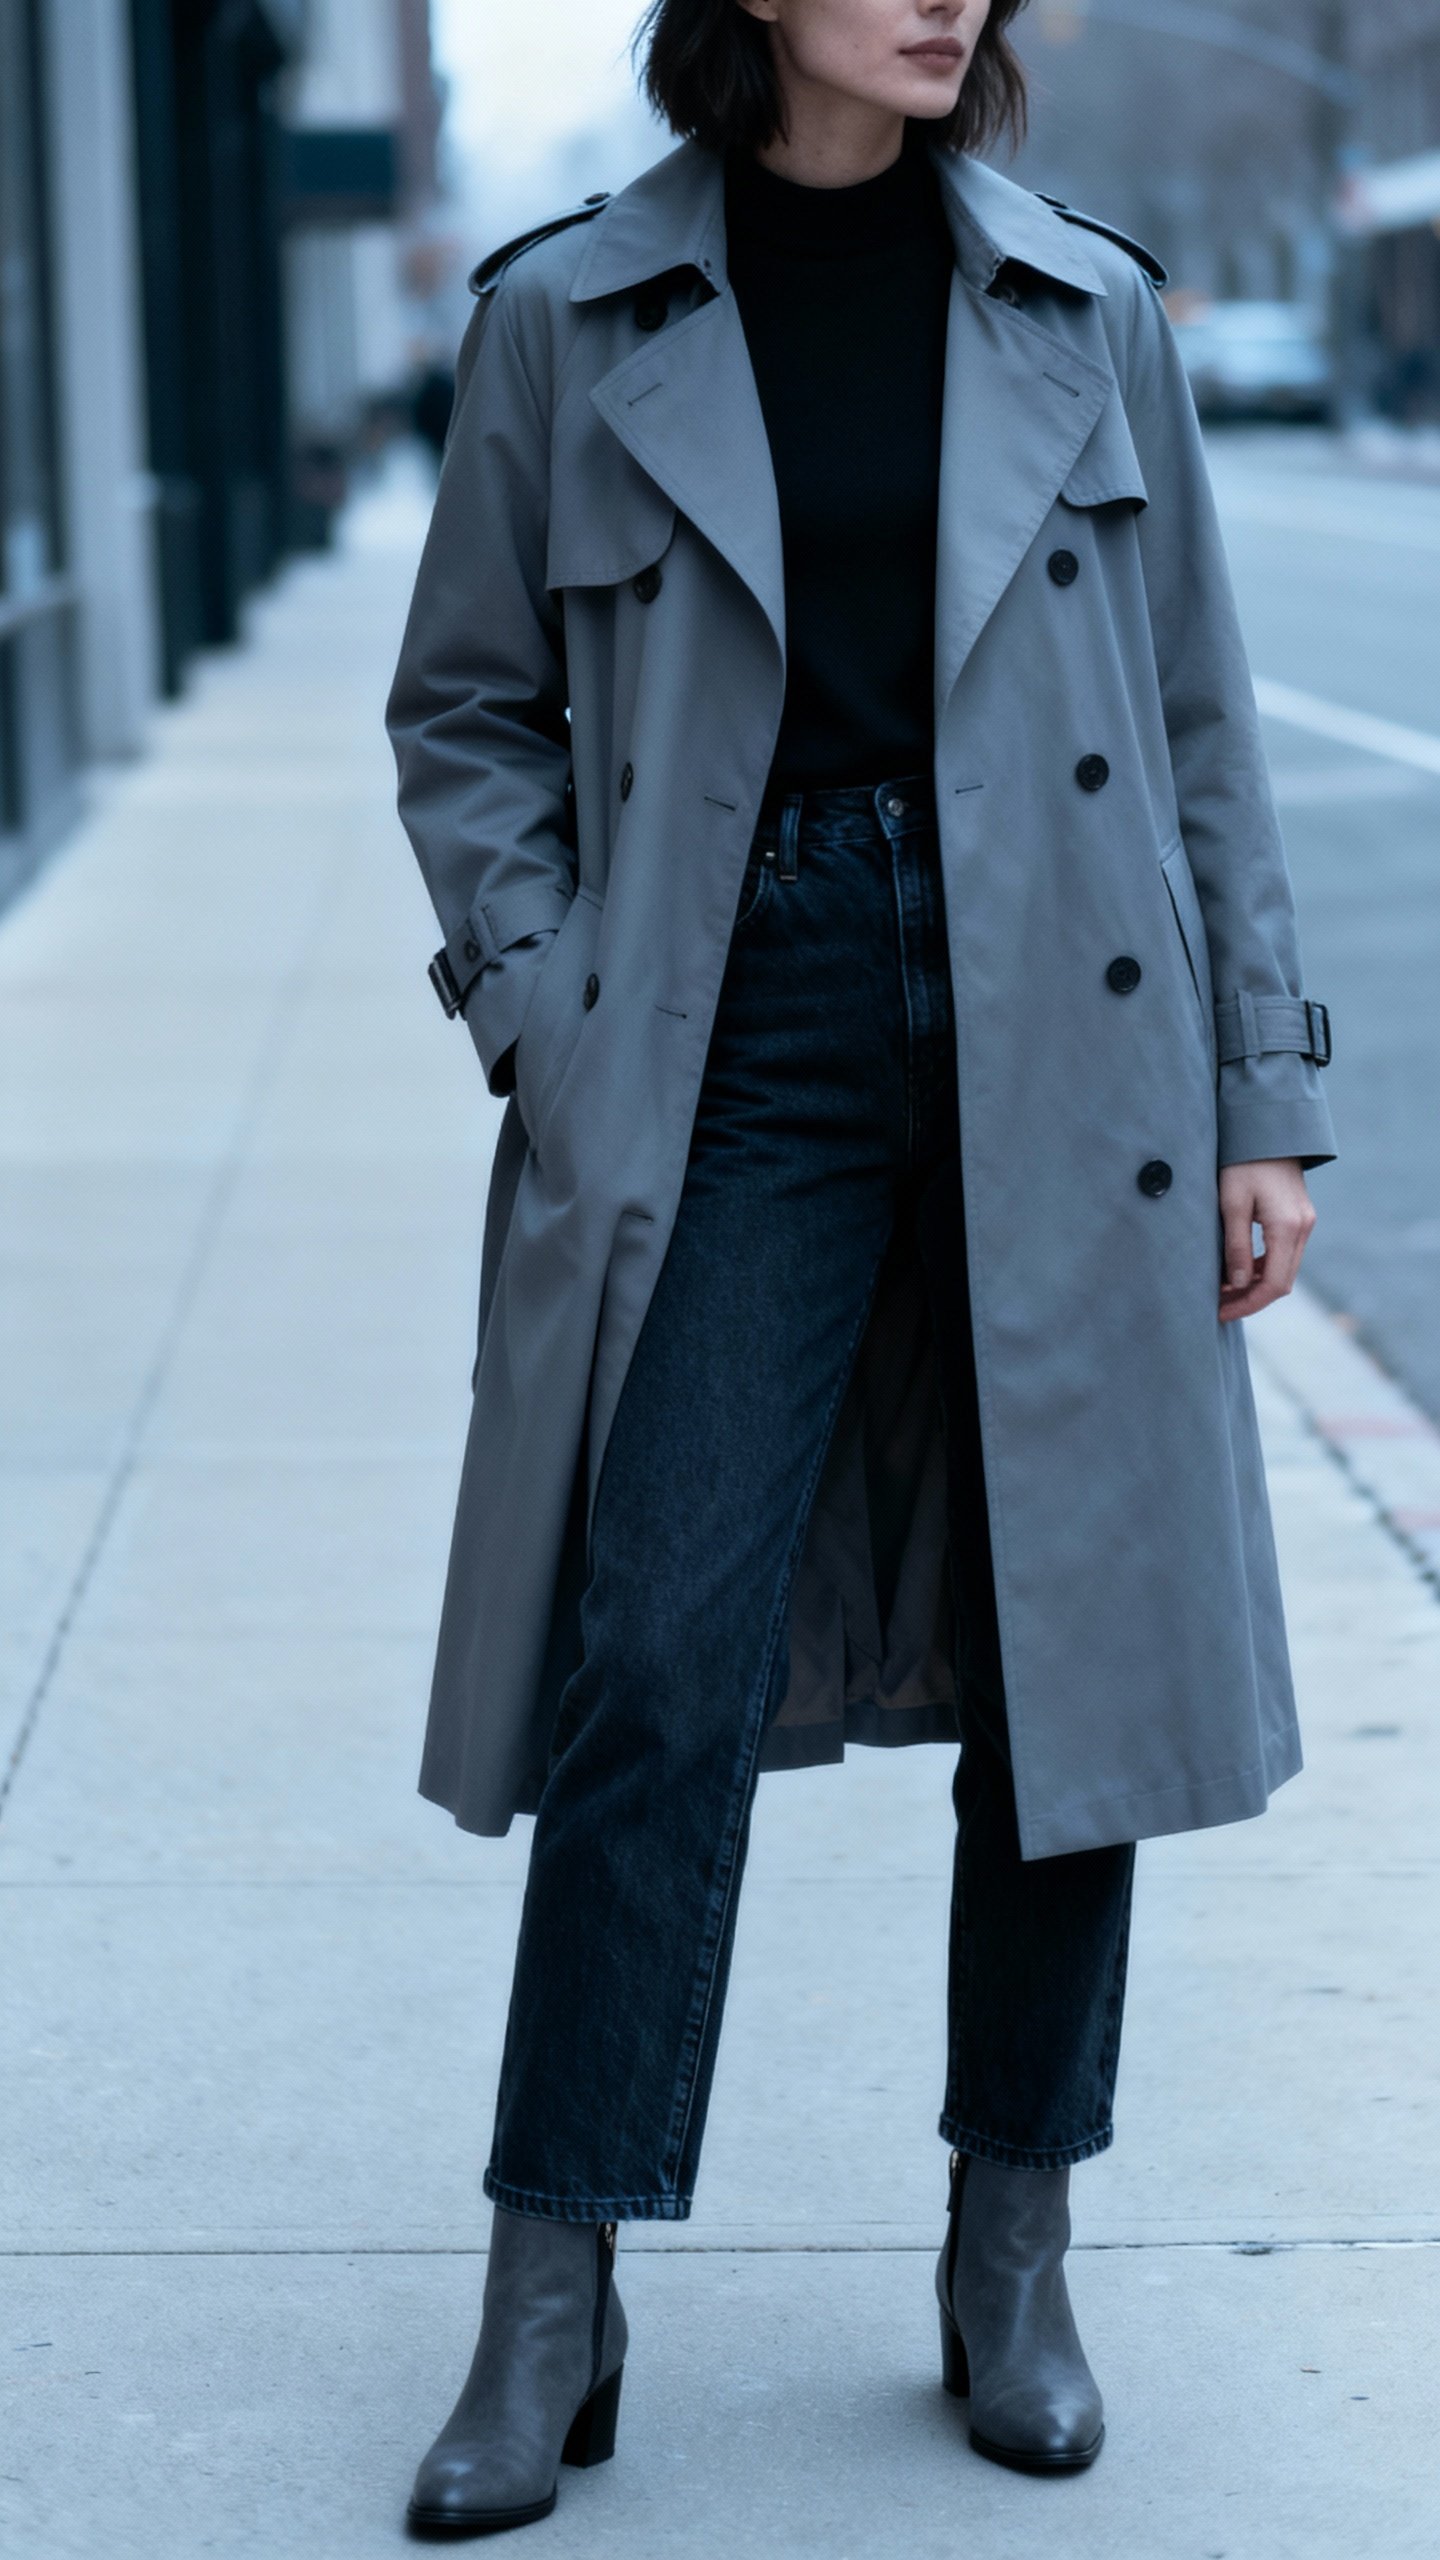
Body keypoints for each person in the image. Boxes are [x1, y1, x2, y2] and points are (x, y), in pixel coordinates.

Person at [386, 0, 1337, 2532]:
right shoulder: (566, 317)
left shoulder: (1085, 307)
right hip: (739, 1022)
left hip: (1070, 1022)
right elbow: (465, 711)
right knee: (655, 1644)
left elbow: (1204, 723)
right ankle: (554, 2286)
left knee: (1068, 1647)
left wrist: (1263, 1092)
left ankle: (1013, 2244)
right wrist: (550, 1005)